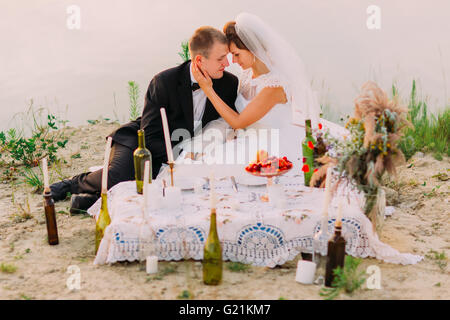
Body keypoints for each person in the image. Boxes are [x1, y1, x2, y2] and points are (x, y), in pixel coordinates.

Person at [50, 26, 239, 212]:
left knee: (163, 183)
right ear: (199, 60)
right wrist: (182, 155)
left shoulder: (229, 83)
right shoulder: (164, 82)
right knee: (120, 177)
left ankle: (86, 201)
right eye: (221, 58)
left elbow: (225, 123)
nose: (227, 63)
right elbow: (150, 137)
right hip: (140, 140)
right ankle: (71, 184)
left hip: (181, 149)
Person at [163, 12, 347, 180]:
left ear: (252, 49)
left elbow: (238, 121)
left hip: (273, 144)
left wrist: (208, 89)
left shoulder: (274, 87)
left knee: (219, 168)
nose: (232, 61)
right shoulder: (247, 76)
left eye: (236, 54)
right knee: (199, 160)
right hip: (247, 139)